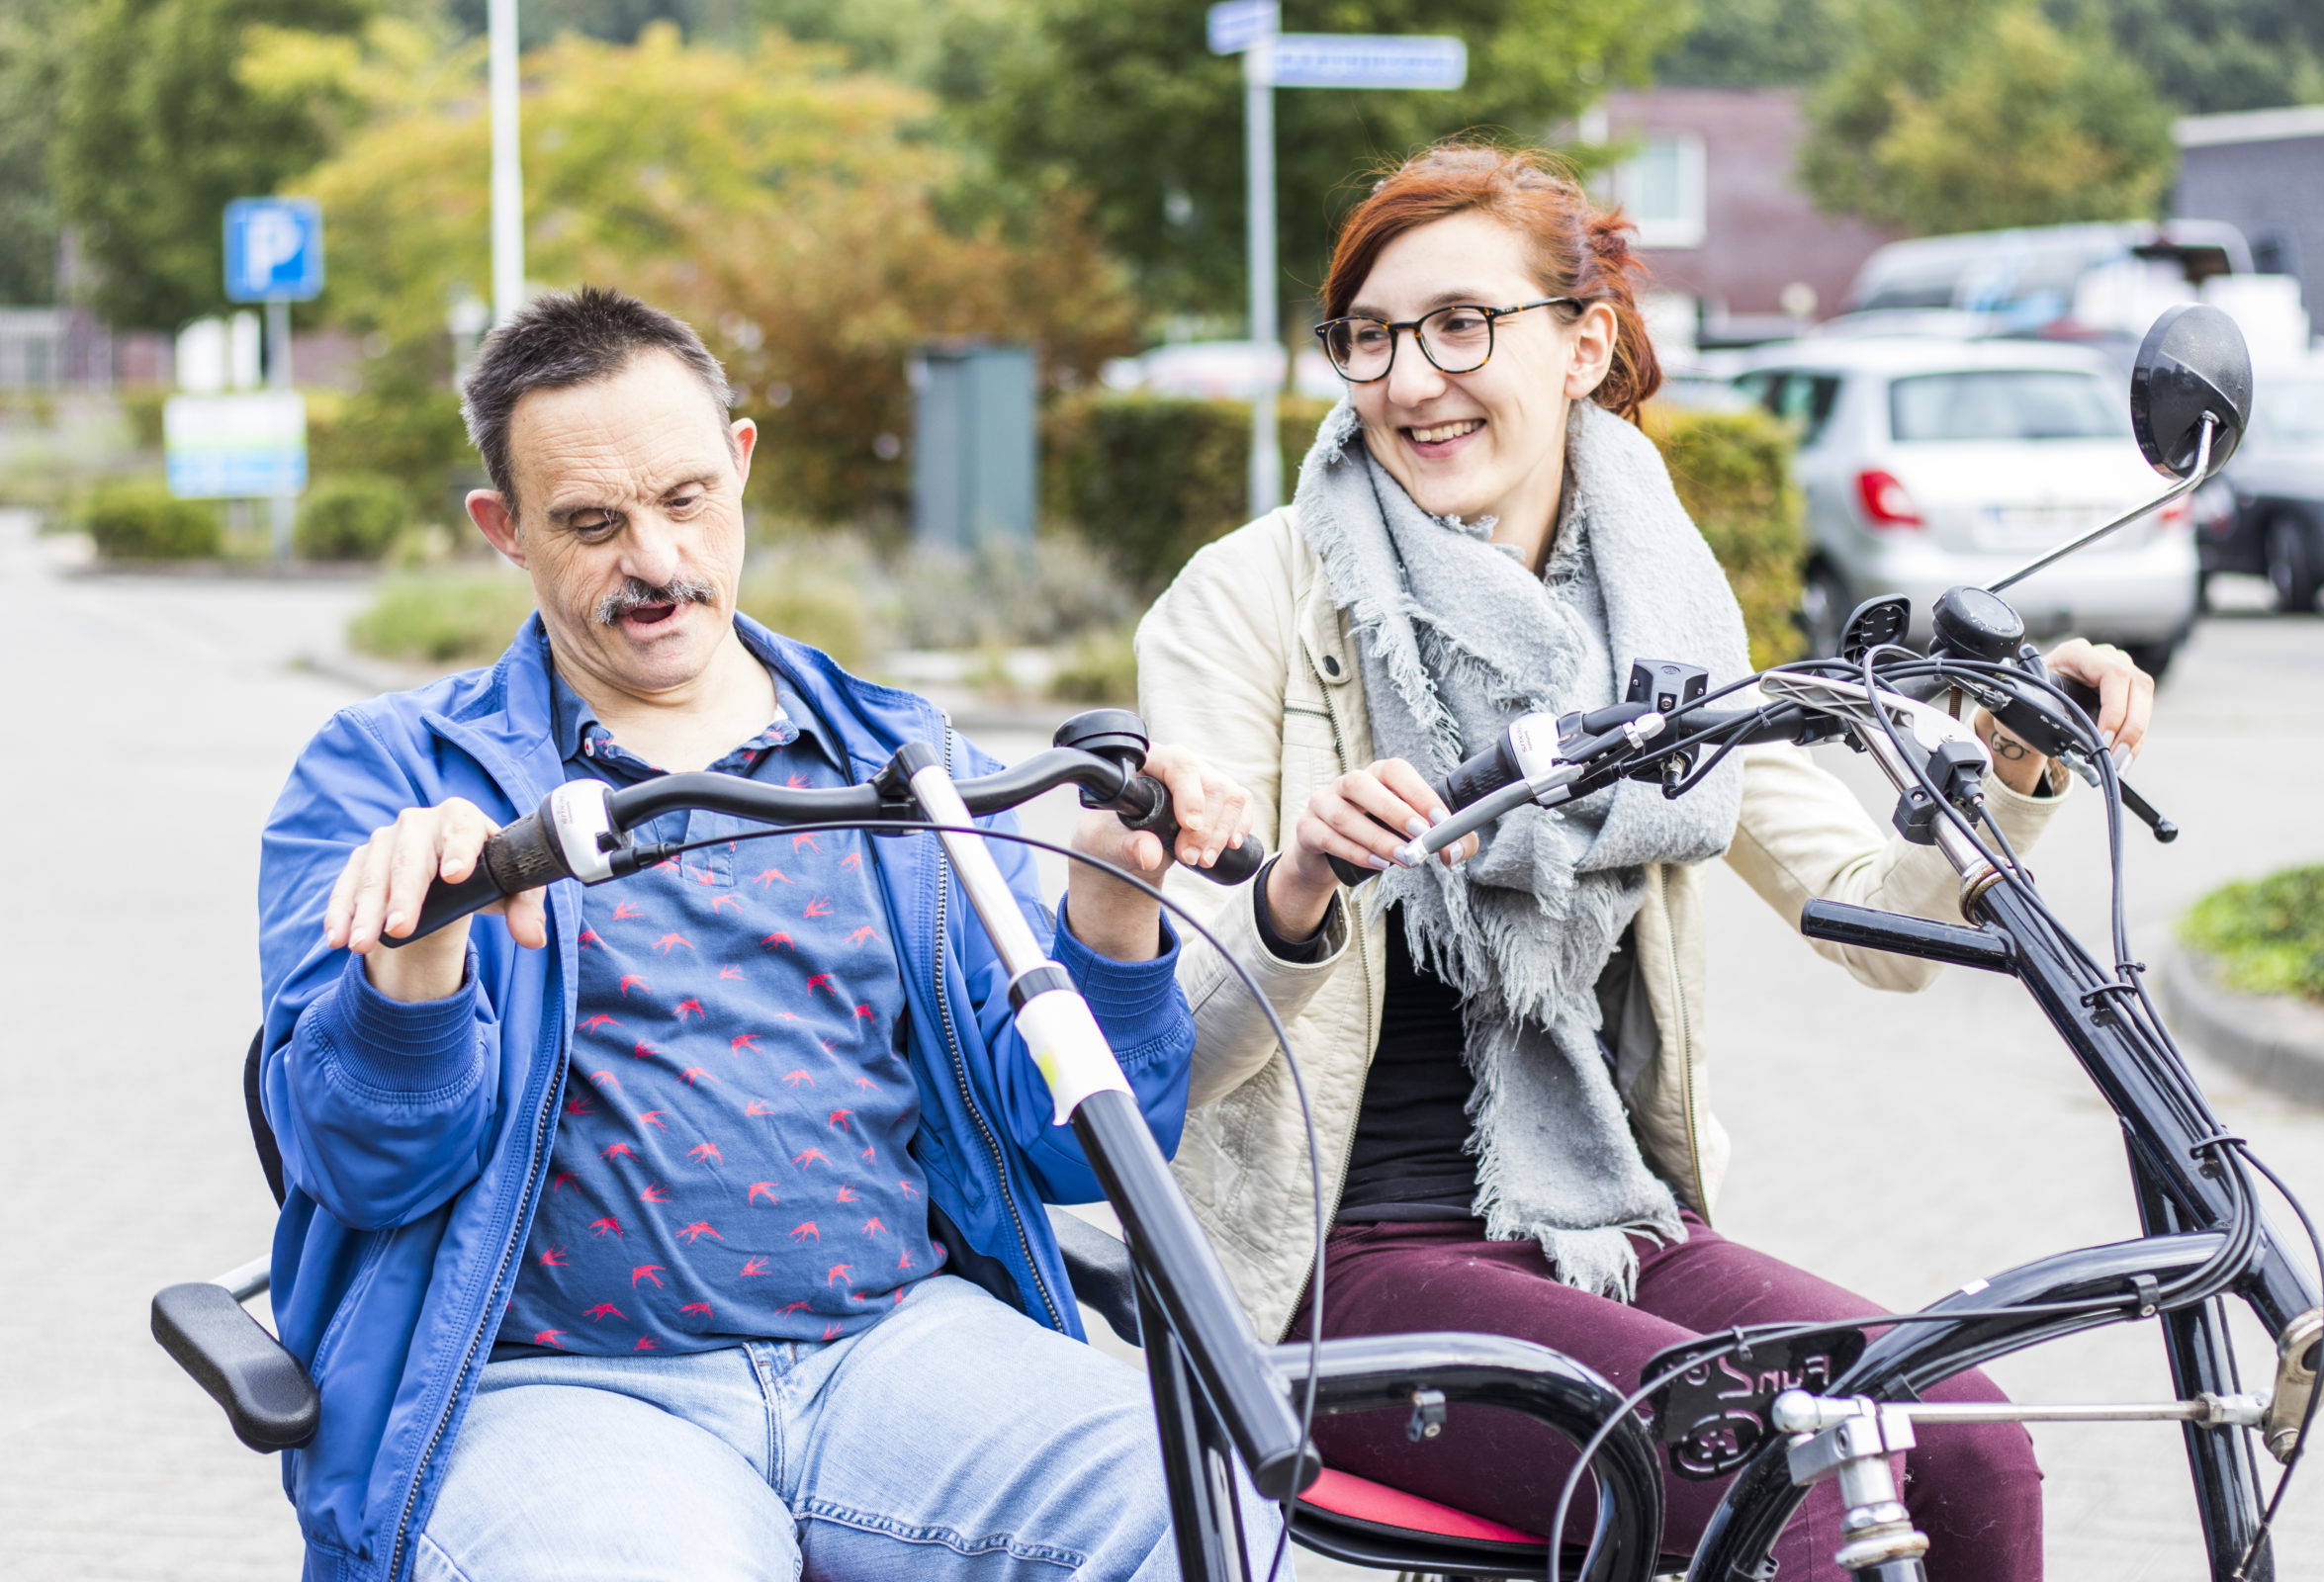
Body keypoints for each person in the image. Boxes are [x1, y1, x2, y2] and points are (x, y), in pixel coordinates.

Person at [1133, 145, 2158, 1581]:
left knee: (1969, 1437)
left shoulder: (1659, 615)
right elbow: (1169, 1039)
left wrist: (2017, 767)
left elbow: (1870, 916)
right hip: (1327, 1260)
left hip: (1606, 1224)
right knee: (1762, 1477)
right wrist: (1298, 884)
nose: (1410, 380)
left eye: (1460, 325)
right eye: (1368, 337)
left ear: (1585, 344)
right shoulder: (1248, 601)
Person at [256, 287, 1265, 1582]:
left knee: (1199, 1505)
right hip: (562, 1394)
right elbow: (362, 1173)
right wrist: (416, 972)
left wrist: (1114, 913)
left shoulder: (906, 764)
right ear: (502, 529)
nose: (660, 564)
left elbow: (1065, 1161)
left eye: (685, 501)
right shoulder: (384, 777)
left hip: (897, 1350)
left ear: (740, 465)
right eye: (591, 524)